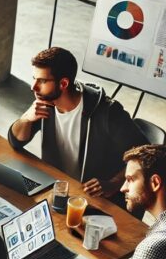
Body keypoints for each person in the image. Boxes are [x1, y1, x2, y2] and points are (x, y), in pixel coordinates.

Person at [8, 47, 148, 210]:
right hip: (57, 192)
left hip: (95, 201)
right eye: (34, 79)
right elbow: (16, 142)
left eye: (42, 81)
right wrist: (26, 119)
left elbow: (144, 154)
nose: (34, 87)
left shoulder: (107, 112)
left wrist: (114, 183)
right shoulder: (45, 105)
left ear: (64, 84)